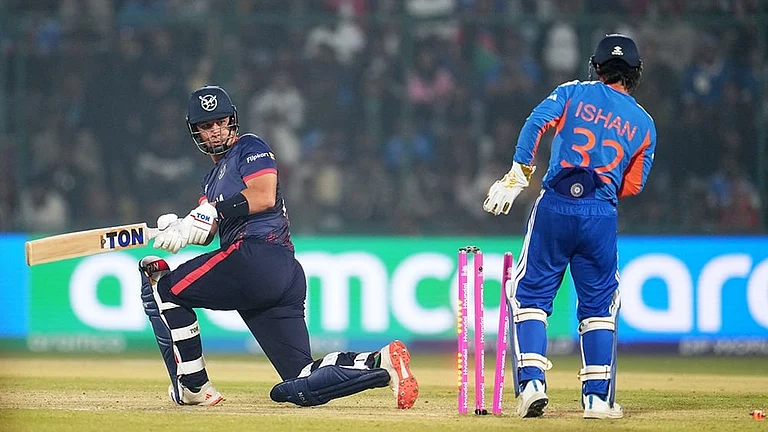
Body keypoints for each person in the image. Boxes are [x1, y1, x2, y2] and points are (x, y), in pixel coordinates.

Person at [139, 85, 419, 409]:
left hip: (256, 256)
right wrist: (181, 227)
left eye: (220, 121)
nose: (215, 130)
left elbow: (263, 196)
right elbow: (207, 231)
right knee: (298, 382)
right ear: (195, 131)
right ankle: (382, 364)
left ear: (233, 121)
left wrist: (211, 211)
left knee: (164, 287)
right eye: (206, 125)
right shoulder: (210, 180)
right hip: (279, 275)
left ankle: (193, 387)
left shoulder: (250, 147)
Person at [482, 34, 656, 419]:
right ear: (637, 73)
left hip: (556, 204)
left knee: (529, 296)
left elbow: (537, 121)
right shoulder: (645, 125)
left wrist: (519, 173)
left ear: (595, 67)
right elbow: (635, 184)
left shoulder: (572, 92)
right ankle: (597, 400)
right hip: (601, 213)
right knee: (598, 307)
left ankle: (531, 385)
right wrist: (601, 188)